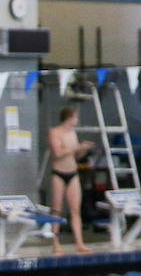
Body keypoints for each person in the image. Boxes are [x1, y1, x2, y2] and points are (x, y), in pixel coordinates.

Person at [48, 105, 95, 255]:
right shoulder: (54, 132)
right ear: (69, 118)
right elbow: (57, 154)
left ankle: (79, 243)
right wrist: (76, 148)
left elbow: (75, 156)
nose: (77, 120)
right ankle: (55, 244)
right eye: (75, 117)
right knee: (56, 210)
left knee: (75, 210)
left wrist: (83, 149)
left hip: (72, 173)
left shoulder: (72, 134)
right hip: (58, 174)